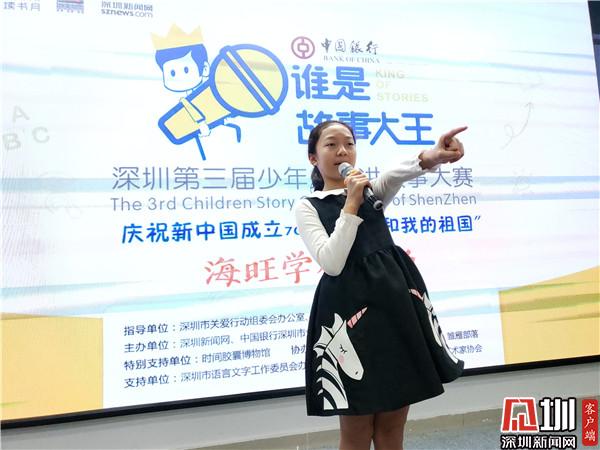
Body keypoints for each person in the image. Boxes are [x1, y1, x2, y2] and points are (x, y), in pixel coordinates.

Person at [294, 120, 467, 450]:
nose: (342, 151)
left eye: (349, 143)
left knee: (392, 428)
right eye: (331, 144)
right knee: (356, 431)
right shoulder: (308, 205)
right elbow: (332, 262)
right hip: (350, 320)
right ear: (313, 157)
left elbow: (398, 173)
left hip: (394, 310)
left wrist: (436, 156)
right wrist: (351, 203)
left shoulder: (370, 191)